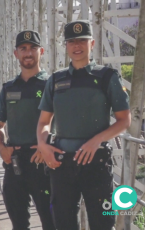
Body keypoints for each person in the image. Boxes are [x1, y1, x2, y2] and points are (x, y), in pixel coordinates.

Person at [37, 20, 131, 230]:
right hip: (61, 163)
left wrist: (96, 140)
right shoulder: (55, 80)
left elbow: (125, 120)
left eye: (82, 41)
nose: (77, 46)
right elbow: (44, 122)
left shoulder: (107, 77)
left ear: (92, 43)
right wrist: (43, 145)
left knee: (103, 223)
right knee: (63, 224)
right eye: (71, 41)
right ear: (66, 46)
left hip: (96, 162)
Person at [0, 30, 55, 230]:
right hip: (16, 164)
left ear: (41, 51)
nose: (28, 53)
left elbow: (62, 122)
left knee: (51, 223)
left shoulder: (52, 85)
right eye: (23, 48)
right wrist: (2, 148)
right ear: (16, 54)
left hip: (43, 164)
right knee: (19, 225)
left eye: (33, 48)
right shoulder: (9, 88)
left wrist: (46, 146)